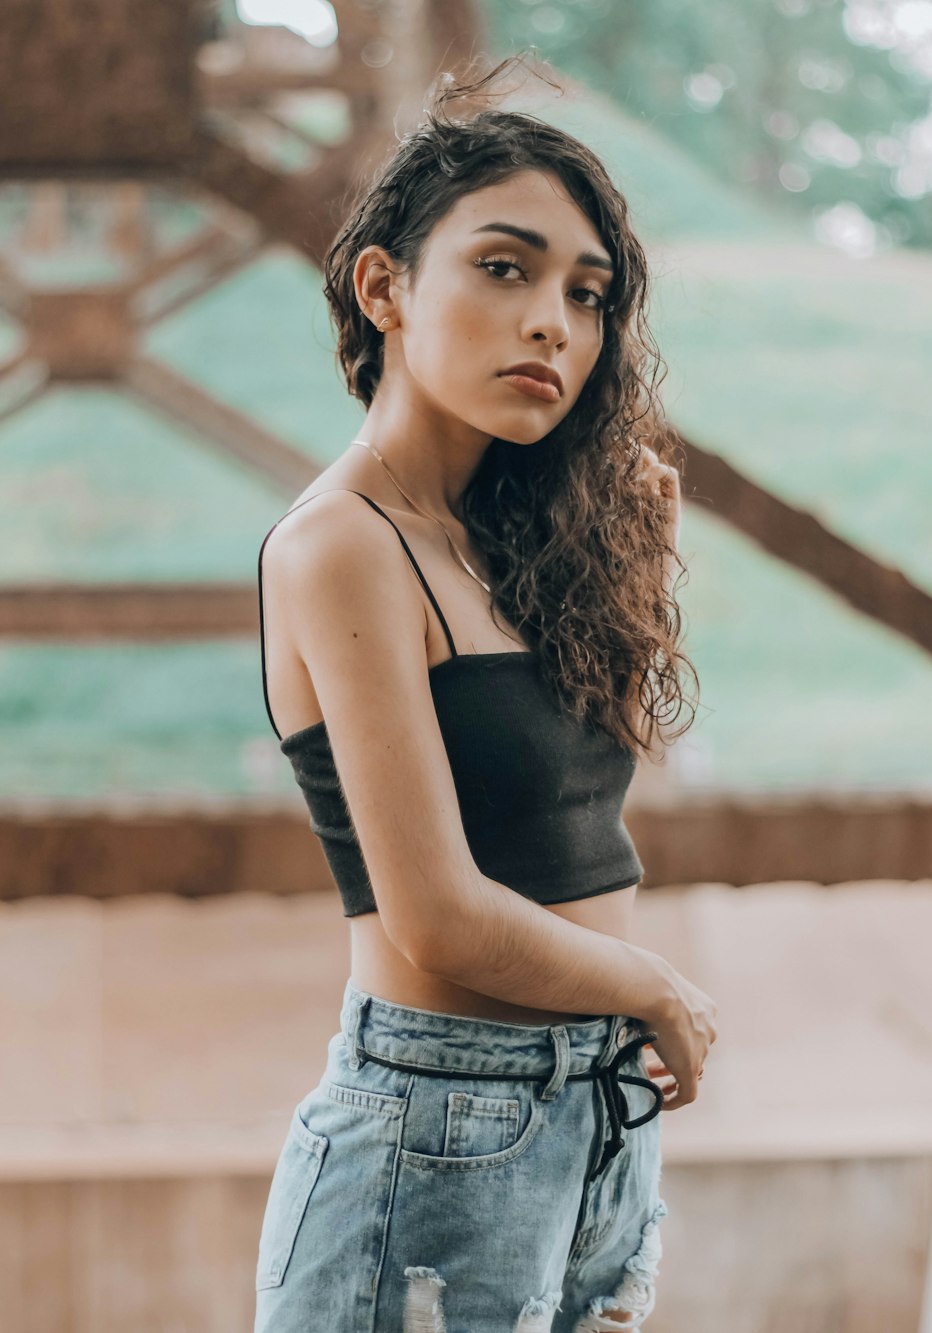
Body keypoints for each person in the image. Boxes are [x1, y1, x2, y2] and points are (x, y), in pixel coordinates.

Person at [253, 51, 718, 1333]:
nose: (552, 324)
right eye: (503, 268)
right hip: (434, 1135)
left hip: (597, 1114)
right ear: (385, 286)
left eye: (587, 293)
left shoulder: (512, 541)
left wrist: (635, 559)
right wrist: (656, 990)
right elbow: (440, 917)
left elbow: (581, 806)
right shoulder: (342, 541)